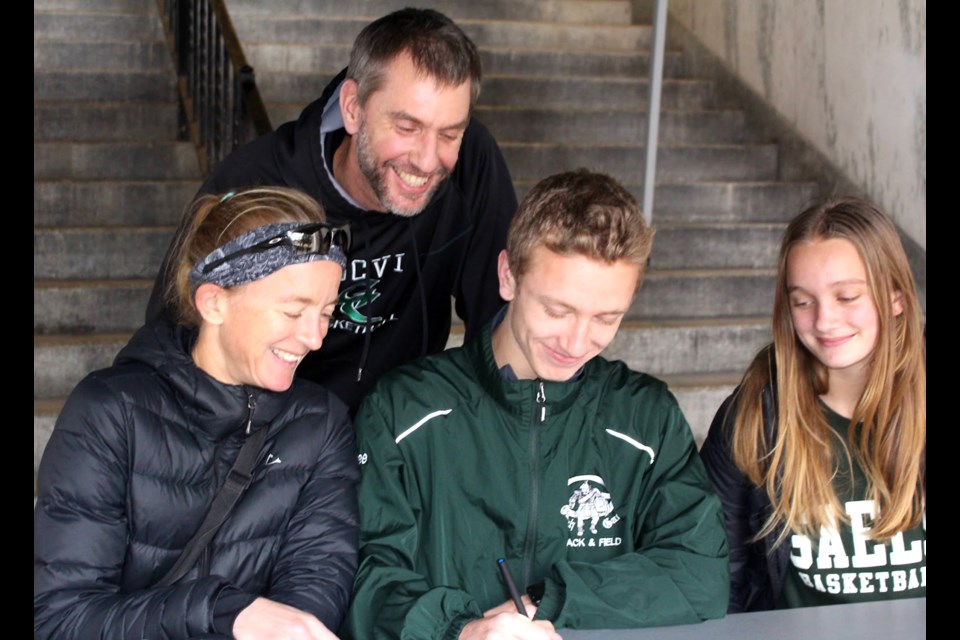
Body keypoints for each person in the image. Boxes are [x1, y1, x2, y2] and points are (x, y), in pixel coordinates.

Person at [340, 169, 730, 640]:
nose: (578, 341)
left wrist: (548, 601)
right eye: (557, 310)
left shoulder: (646, 417)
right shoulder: (402, 410)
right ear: (508, 276)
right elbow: (366, 580)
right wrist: (464, 630)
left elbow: (699, 574)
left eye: (606, 317)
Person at [144, 7, 518, 415]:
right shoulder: (260, 181)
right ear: (354, 109)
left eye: (449, 134)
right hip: (275, 439)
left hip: (401, 432)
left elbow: (504, 320)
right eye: (407, 128)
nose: (428, 161)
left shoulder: (472, 163)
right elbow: (172, 337)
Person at [35, 187, 360, 639]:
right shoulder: (110, 415)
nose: (315, 338)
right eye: (292, 311)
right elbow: (59, 620)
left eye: (326, 313)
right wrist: (221, 611)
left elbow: (314, 588)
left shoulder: (319, 424)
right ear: (213, 302)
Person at [699, 197, 926, 612]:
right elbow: (714, 577)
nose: (823, 321)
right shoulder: (756, 416)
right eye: (803, 301)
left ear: (896, 297)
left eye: (847, 297)